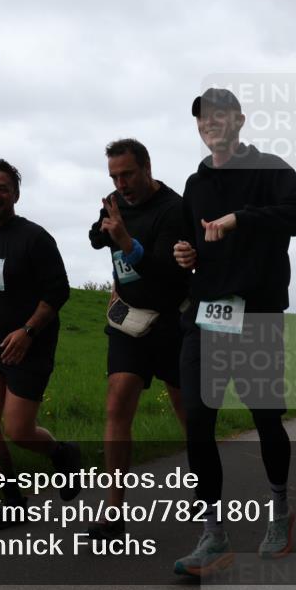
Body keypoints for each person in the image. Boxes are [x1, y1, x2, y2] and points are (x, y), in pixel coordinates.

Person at [171, 88, 296, 576]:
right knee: (197, 419)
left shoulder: (270, 169)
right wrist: (188, 255)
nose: (209, 122)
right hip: (207, 314)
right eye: (202, 117)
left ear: (239, 119)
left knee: (264, 419)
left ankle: (279, 512)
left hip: (256, 313)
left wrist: (242, 220)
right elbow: (197, 242)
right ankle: (214, 535)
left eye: (218, 114)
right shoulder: (196, 184)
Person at [0, 158, 81, 531]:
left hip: (30, 345)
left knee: (19, 430)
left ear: (16, 194)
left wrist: (28, 331)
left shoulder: (35, 238)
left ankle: (62, 454)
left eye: (2, 188)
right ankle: (11, 501)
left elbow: (58, 291)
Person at [87, 138, 190, 539]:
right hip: (127, 321)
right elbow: (97, 237)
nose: (121, 183)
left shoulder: (174, 209)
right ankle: (113, 508)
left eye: (127, 174)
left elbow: (169, 271)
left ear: (147, 167)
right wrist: (105, 230)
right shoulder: (114, 201)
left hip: (171, 322)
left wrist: (128, 242)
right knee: (118, 401)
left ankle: (205, 488)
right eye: (114, 176)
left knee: (186, 410)